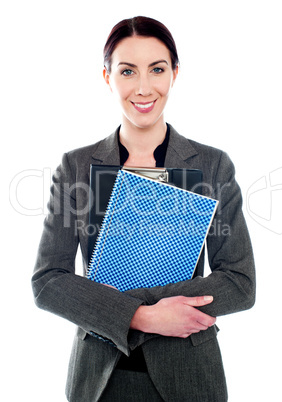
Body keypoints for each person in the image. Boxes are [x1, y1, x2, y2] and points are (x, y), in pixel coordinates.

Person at [32, 16, 256, 402]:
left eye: (157, 69)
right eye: (127, 71)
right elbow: (49, 281)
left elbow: (239, 282)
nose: (143, 86)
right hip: (99, 380)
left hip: (190, 378)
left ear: (174, 74)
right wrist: (140, 316)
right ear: (107, 78)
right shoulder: (76, 168)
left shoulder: (212, 165)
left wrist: (125, 303)